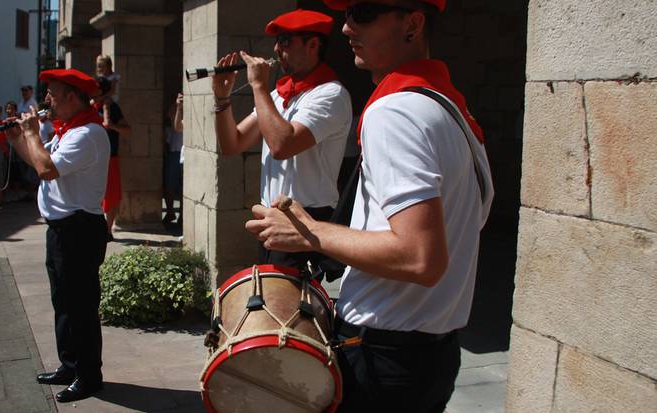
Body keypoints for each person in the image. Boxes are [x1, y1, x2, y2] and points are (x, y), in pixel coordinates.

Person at [245, 0, 495, 411]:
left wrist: (310, 232)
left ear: (412, 24)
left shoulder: (395, 110)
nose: (346, 29)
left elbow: (420, 258)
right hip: (431, 352)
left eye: (362, 14)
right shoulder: (449, 108)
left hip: (384, 354)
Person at [213, 9, 352, 275]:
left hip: (307, 218)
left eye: (286, 41)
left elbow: (282, 146)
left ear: (313, 45)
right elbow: (233, 143)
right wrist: (222, 99)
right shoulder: (278, 94)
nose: (277, 49)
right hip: (272, 217)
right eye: (277, 42)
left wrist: (258, 87)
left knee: (292, 307)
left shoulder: (330, 94)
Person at [4, 68, 109, 403]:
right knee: (63, 303)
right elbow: (38, 160)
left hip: (79, 230)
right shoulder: (68, 131)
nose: (46, 99)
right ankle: (70, 365)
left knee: (80, 306)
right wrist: (15, 138)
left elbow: (47, 169)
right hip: (63, 229)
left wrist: (32, 132)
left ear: (73, 97)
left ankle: (89, 376)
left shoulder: (87, 133)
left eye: (52, 93)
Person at [92, 76, 130, 240]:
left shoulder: (112, 107)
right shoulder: (89, 106)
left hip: (110, 156)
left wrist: (112, 126)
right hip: (92, 157)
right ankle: (97, 227)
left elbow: (127, 130)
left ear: (100, 89)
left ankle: (107, 231)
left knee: (112, 194)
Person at [162, 93, 183, 229]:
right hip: (175, 153)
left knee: (183, 188)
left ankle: (182, 215)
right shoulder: (176, 111)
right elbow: (172, 120)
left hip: (184, 154)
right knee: (169, 185)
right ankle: (170, 212)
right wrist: (178, 105)